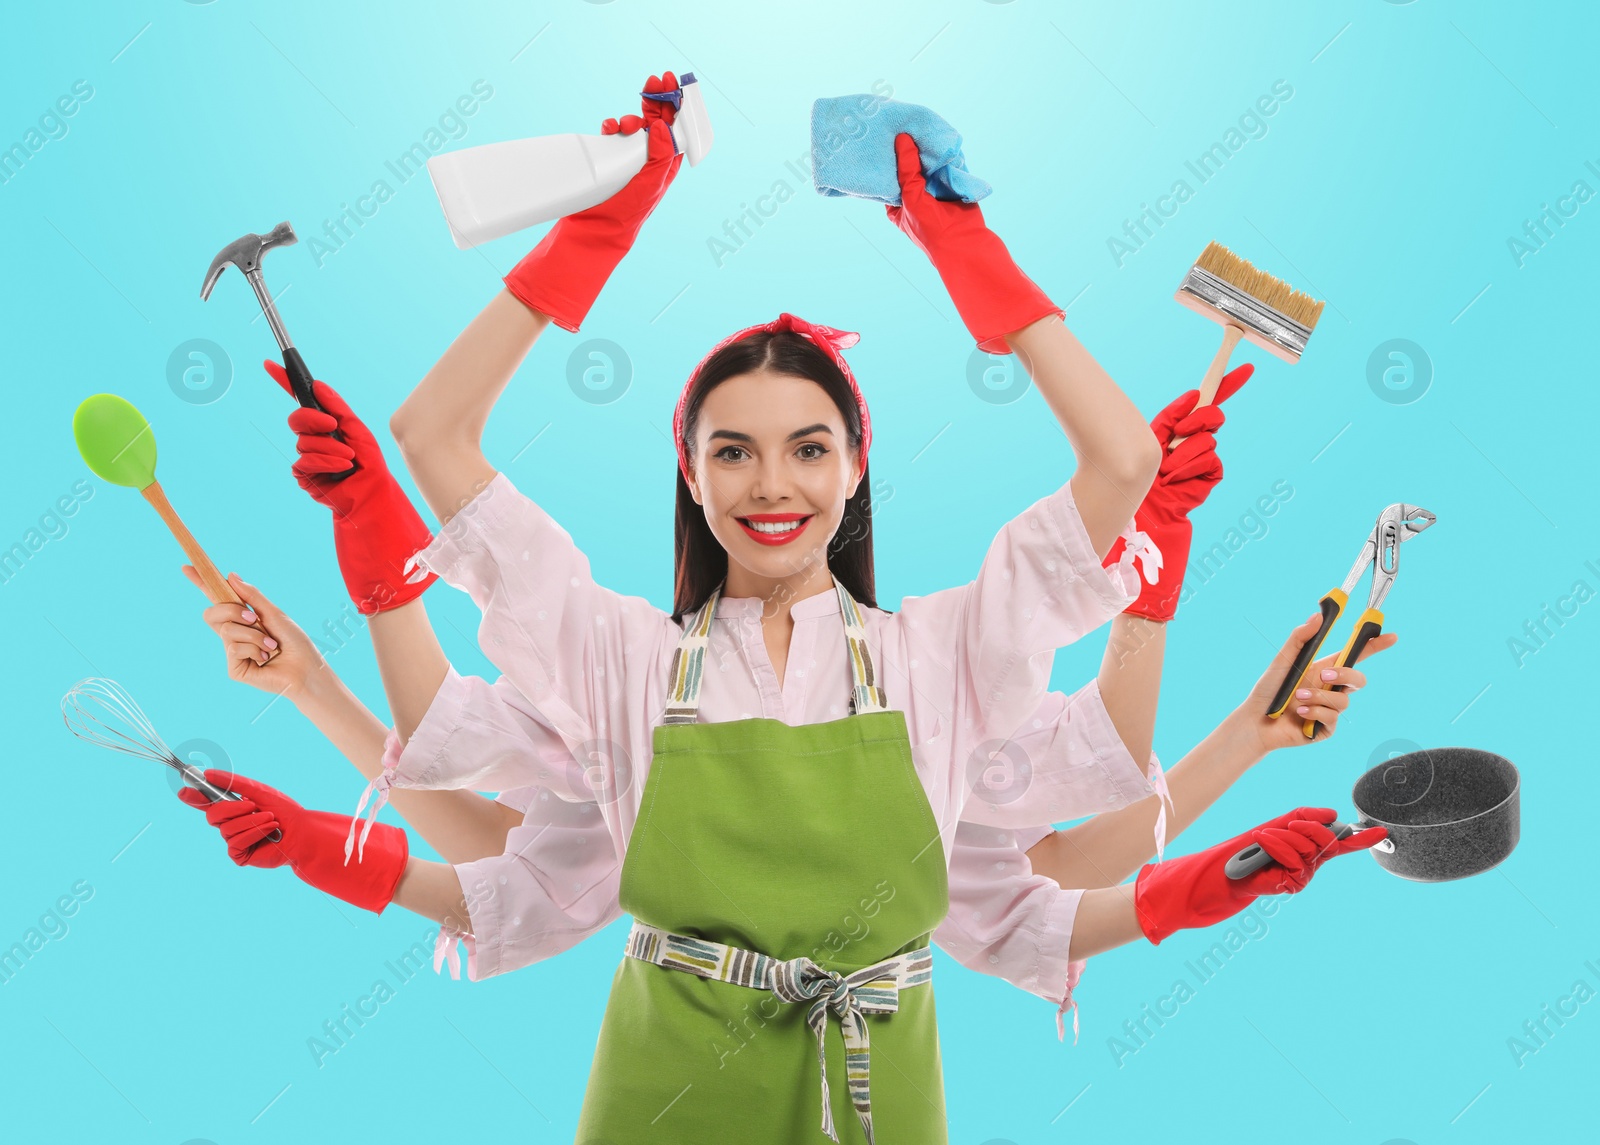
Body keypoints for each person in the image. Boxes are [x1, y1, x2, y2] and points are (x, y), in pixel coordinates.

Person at [179, 72, 1388, 1145]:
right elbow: (432, 432)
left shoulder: (941, 653)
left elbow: (1119, 461)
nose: (773, 485)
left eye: (809, 448)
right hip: (665, 1091)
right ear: (690, 473)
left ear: (855, 464)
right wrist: (608, 218)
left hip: (881, 1088)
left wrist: (949, 233)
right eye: (733, 452)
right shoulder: (623, 659)